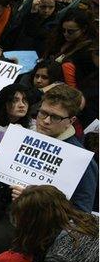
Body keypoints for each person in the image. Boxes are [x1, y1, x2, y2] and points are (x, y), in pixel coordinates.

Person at [24, 84, 98, 212]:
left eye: (55, 117)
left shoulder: (82, 161)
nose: (46, 121)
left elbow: (82, 213)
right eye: (43, 113)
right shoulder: (22, 139)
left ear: (71, 121)